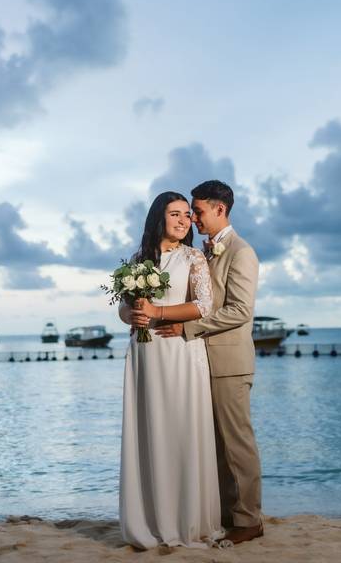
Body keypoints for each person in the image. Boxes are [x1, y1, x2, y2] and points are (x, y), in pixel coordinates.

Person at [145, 180, 264, 545]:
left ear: (220, 209)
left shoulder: (241, 252)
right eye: (189, 212)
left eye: (197, 211)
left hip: (229, 362)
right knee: (213, 445)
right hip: (199, 362)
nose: (193, 219)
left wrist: (187, 327)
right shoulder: (205, 252)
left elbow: (240, 311)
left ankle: (249, 519)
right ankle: (226, 514)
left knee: (237, 443)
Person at [118, 191, 224, 549]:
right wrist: (132, 315)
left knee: (181, 428)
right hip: (145, 355)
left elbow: (204, 306)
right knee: (149, 430)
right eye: (174, 214)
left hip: (179, 350)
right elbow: (124, 308)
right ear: (158, 218)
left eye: (186, 215)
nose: (183, 221)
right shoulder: (138, 260)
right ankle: (149, 518)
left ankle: (185, 519)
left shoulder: (194, 257)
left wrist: (159, 313)